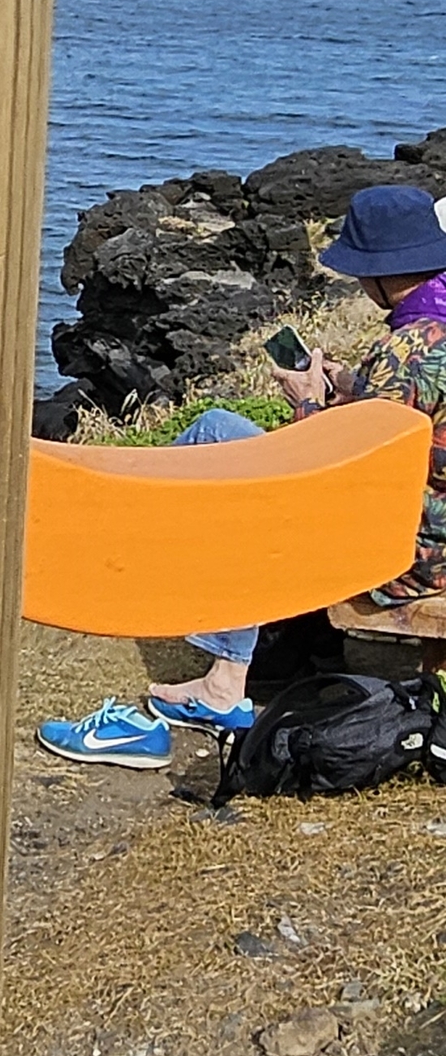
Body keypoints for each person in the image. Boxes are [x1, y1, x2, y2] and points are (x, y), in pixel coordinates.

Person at [41, 181, 446, 763]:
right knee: (217, 431)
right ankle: (154, 559)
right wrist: (352, 391)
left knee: (247, 493)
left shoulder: (407, 350)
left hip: (406, 549)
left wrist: (308, 403)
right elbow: (414, 430)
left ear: (381, 271)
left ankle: (220, 681)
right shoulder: (432, 328)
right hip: (430, 525)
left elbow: (352, 478)